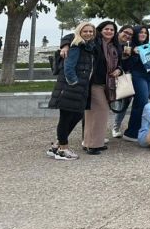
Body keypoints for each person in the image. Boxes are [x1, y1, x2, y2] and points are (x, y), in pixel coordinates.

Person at [47, 22, 96, 160]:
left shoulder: (88, 47)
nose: (88, 34)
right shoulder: (76, 46)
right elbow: (69, 67)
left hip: (79, 89)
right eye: (85, 31)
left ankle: (56, 145)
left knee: (77, 115)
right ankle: (63, 149)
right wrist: (74, 82)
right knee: (65, 118)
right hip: (71, 88)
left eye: (90, 32)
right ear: (79, 32)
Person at [86, 20, 121, 154]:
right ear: (100, 30)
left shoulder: (114, 46)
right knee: (100, 111)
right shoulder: (94, 42)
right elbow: (73, 37)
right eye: (106, 29)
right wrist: (65, 45)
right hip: (94, 82)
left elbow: (120, 64)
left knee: (93, 113)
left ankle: (92, 143)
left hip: (107, 84)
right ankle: (93, 145)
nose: (109, 32)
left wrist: (119, 70)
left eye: (112, 30)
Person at [122, 25, 150, 143]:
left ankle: (140, 129)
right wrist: (133, 54)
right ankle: (131, 132)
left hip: (149, 77)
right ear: (135, 34)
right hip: (137, 76)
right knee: (141, 103)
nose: (143, 34)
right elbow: (126, 65)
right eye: (140, 32)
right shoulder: (129, 46)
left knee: (142, 103)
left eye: (145, 32)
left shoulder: (149, 47)